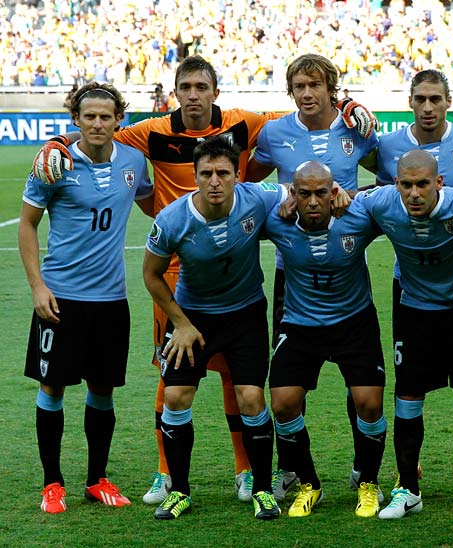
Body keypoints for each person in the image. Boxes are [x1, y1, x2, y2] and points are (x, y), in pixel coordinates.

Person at [30, 54, 377, 507]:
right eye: (186, 87)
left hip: (236, 267)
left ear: (215, 91)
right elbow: (98, 129)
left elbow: (303, 112)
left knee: (241, 377)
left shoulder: (244, 124)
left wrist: (346, 103)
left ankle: (246, 472)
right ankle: (164, 474)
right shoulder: (150, 130)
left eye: (201, 87)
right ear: (176, 91)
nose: (193, 95)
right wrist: (59, 141)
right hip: (175, 272)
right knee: (170, 372)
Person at [245, 53, 379, 502]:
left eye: (314, 86)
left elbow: (393, 176)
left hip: (345, 264)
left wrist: (352, 195)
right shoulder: (275, 133)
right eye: (298, 86)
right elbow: (249, 182)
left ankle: (365, 466)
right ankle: (291, 469)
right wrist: (285, 195)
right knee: (288, 385)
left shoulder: (356, 129)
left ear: (330, 89)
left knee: (358, 381)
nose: (306, 93)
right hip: (295, 272)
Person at [19, 82, 153, 514]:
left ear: (119, 120)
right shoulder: (53, 163)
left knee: (103, 388)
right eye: (89, 116)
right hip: (60, 300)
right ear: (75, 119)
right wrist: (39, 286)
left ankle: (96, 479)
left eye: (106, 116)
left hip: (112, 300)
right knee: (52, 386)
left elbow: (154, 201)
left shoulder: (133, 161)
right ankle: (52, 482)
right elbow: (27, 226)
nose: (97, 123)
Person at [142, 137, 287, 520]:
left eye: (223, 172)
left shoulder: (257, 197)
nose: (215, 181)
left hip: (246, 314)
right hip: (193, 317)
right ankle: (180, 491)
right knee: (175, 398)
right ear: (195, 177)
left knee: (252, 398)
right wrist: (181, 323)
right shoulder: (172, 219)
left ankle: (261, 489)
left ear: (237, 175)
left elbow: (299, 188)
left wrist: (333, 193)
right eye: (206, 173)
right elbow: (152, 276)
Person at [374, 69, 453, 499]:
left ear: (449, 101)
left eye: (435, 99)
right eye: (419, 99)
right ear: (408, 101)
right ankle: (407, 478)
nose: (427, 107)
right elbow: (375, 201)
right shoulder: (387, 146)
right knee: (409, 388)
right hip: (409, 284)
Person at [357, 149, 453, 520]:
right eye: (406, 185)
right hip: (415, 312)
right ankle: (408, 489)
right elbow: (342, 201)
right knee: (407, 397)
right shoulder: (381, 202)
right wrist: (342, 195)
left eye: (423, 184)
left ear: (439, 183)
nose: (414, 193)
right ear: (396, 184)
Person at [262, 161, 386, 518]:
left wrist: (355, 194)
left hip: (355, 323)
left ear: (334, 194)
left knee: (369, 404)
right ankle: (308, 484)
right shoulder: (276, 221)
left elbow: (390, 194)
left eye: (321, 193)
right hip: (301, 325)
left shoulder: (357, 218)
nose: (313, 201)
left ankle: (368, 481)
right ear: (293, 195)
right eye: (305, 194)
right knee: (284, 402)